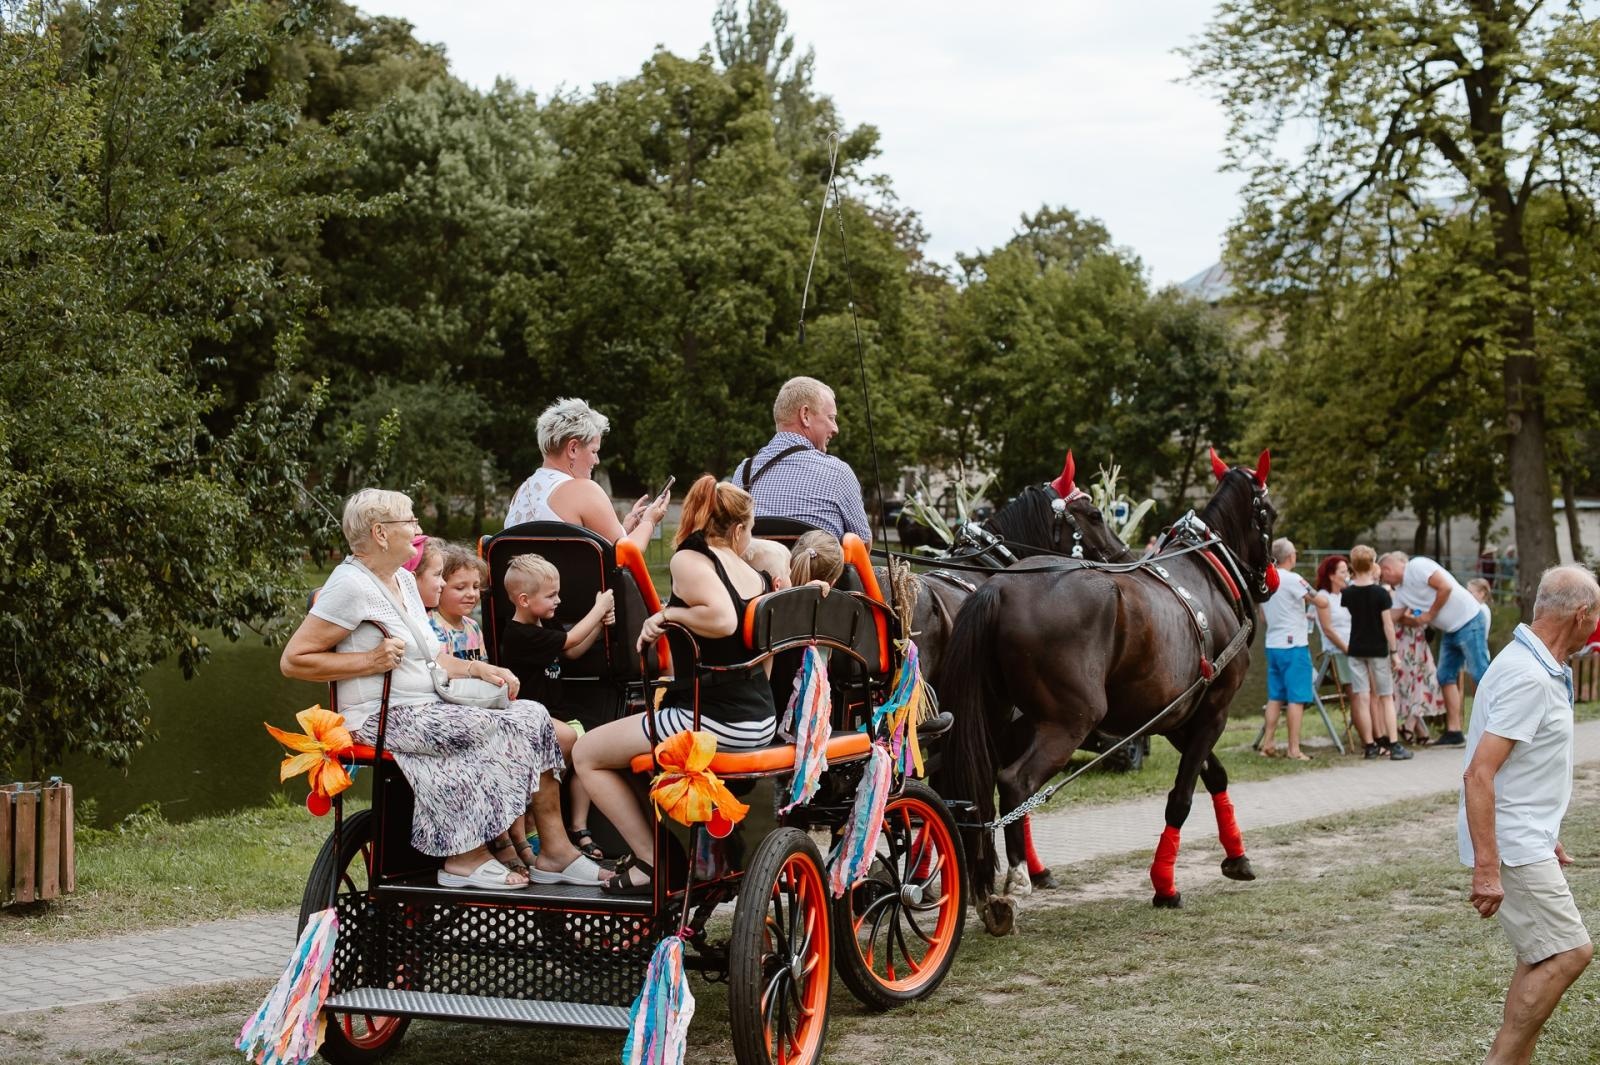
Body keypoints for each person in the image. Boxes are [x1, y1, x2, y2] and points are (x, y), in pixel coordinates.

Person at [281, 489, 603, 890]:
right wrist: (369, 661)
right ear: (381, 533)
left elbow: (433, 655)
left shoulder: (399, 578)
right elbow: (294, 660)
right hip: (381, 715)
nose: (418, 529)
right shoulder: (349, 585)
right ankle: (465, 857)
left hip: (429, 702)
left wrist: (480, 667)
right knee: (483, 727)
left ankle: (555, 852)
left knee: (532, 715)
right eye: (410, 522)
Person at [573, 476, 778, 895]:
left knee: (586, 752)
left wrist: (668, 617)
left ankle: (652, 862)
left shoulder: (691, 559)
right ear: (738, 529)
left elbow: (722, 620)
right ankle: (667, 850)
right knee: (628, 740)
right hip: (759, 717)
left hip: (714, 720)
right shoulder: (751, 571)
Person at [1460, 564, 1599, 1065]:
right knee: (1569, 952)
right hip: (1511, 842)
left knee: (1540, 955)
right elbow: (1479, 773)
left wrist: (1547, 830)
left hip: (1525, 835)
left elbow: (1527, 763)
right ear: (1582, 614)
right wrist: (1487, 866)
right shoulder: (1528, 677)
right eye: (1596, 615)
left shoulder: (1538, 666)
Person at [499, 552, 616, 862]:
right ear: (524, 599)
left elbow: (574, 650)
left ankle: (579, 826)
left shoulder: (542, 624)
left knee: (589, 751)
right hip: (532, 719)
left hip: (559, 714)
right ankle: (528, 816)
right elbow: (569, 640)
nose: (558, 600)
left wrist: (599, 625)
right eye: (551, 595)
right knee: (568, 741)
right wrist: (598, 608)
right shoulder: (519, 635)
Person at [505, 397, 668, 550]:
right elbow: (626, 554)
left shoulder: (520, 494)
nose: (596, 461)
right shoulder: (584, 490)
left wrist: (622, 529)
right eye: (594, 451)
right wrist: (649, 521)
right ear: (573, 449)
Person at [732, 376, 870, 540]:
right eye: (831, 418)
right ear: (805, 415)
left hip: (751, 566)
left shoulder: (744, 472)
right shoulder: (839, 473)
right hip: (816, 566)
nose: (835, 428)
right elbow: (862, 543)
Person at [1379, 551, 1487, 747]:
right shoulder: (1401, 592)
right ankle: (1454, 731)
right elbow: (1394, 617)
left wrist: (1429, 615)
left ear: (1388, 569)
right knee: (1445, 676)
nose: (1383, 581)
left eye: (1382, 576)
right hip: (1450, 630)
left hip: (1469, 620)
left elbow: (1444, 587)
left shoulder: (1417, 566)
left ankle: (1494, 726)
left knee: (1480, 672)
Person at [1343, 545, 1411, 760]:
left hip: (1356, 649)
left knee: (1362, 697)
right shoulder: (1381, 593)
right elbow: (1387, 625)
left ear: (1352, 565)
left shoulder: (1348, 593)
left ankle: (1370, 745)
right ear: (1373, 564)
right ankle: (1393, 744)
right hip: (1378, 649)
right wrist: (1394, 652)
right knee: (1385, 697)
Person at [1260, 538, 1319, 761]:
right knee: (1297, 698)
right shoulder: (1294, 579)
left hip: (1273, 643)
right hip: (1294, 646)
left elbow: (1264, 616)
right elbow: (1319, 600)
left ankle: (1268, 743)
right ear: (1291, 557)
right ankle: (1294, 749)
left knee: (1275, 696)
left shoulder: (1267, 579)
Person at [429, 544, 489, 662]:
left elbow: (484, 665)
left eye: (476, 586)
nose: (472, 593)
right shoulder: (430, 627)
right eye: (460, 588)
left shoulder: (473, 627)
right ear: (440, 586)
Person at [1312, 554, 1354, 704]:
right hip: (1338, 651)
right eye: (1343, 572)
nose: (1347, 576)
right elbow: (1328, 629)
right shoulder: (1323, 597)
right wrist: (1346, 649)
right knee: (1356, 695)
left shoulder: (1345, 595)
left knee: (1367, 693)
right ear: (1331, 576)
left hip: (1355, 648)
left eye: (1348, 571)